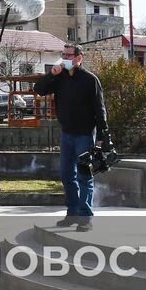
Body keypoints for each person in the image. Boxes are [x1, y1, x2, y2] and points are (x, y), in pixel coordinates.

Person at [33, 44, 111, 232]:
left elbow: (100, 110)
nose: (65, 58)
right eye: (63, 55)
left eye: (69, 55)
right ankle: (72, 212)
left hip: (84, 135)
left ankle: (85, 217)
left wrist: (102, 136)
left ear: (79, 58)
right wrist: (52, 73)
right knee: (67, 175)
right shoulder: (59, 78)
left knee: (84, 176)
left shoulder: (90, 80)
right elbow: (39, 89)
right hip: (66, 134)